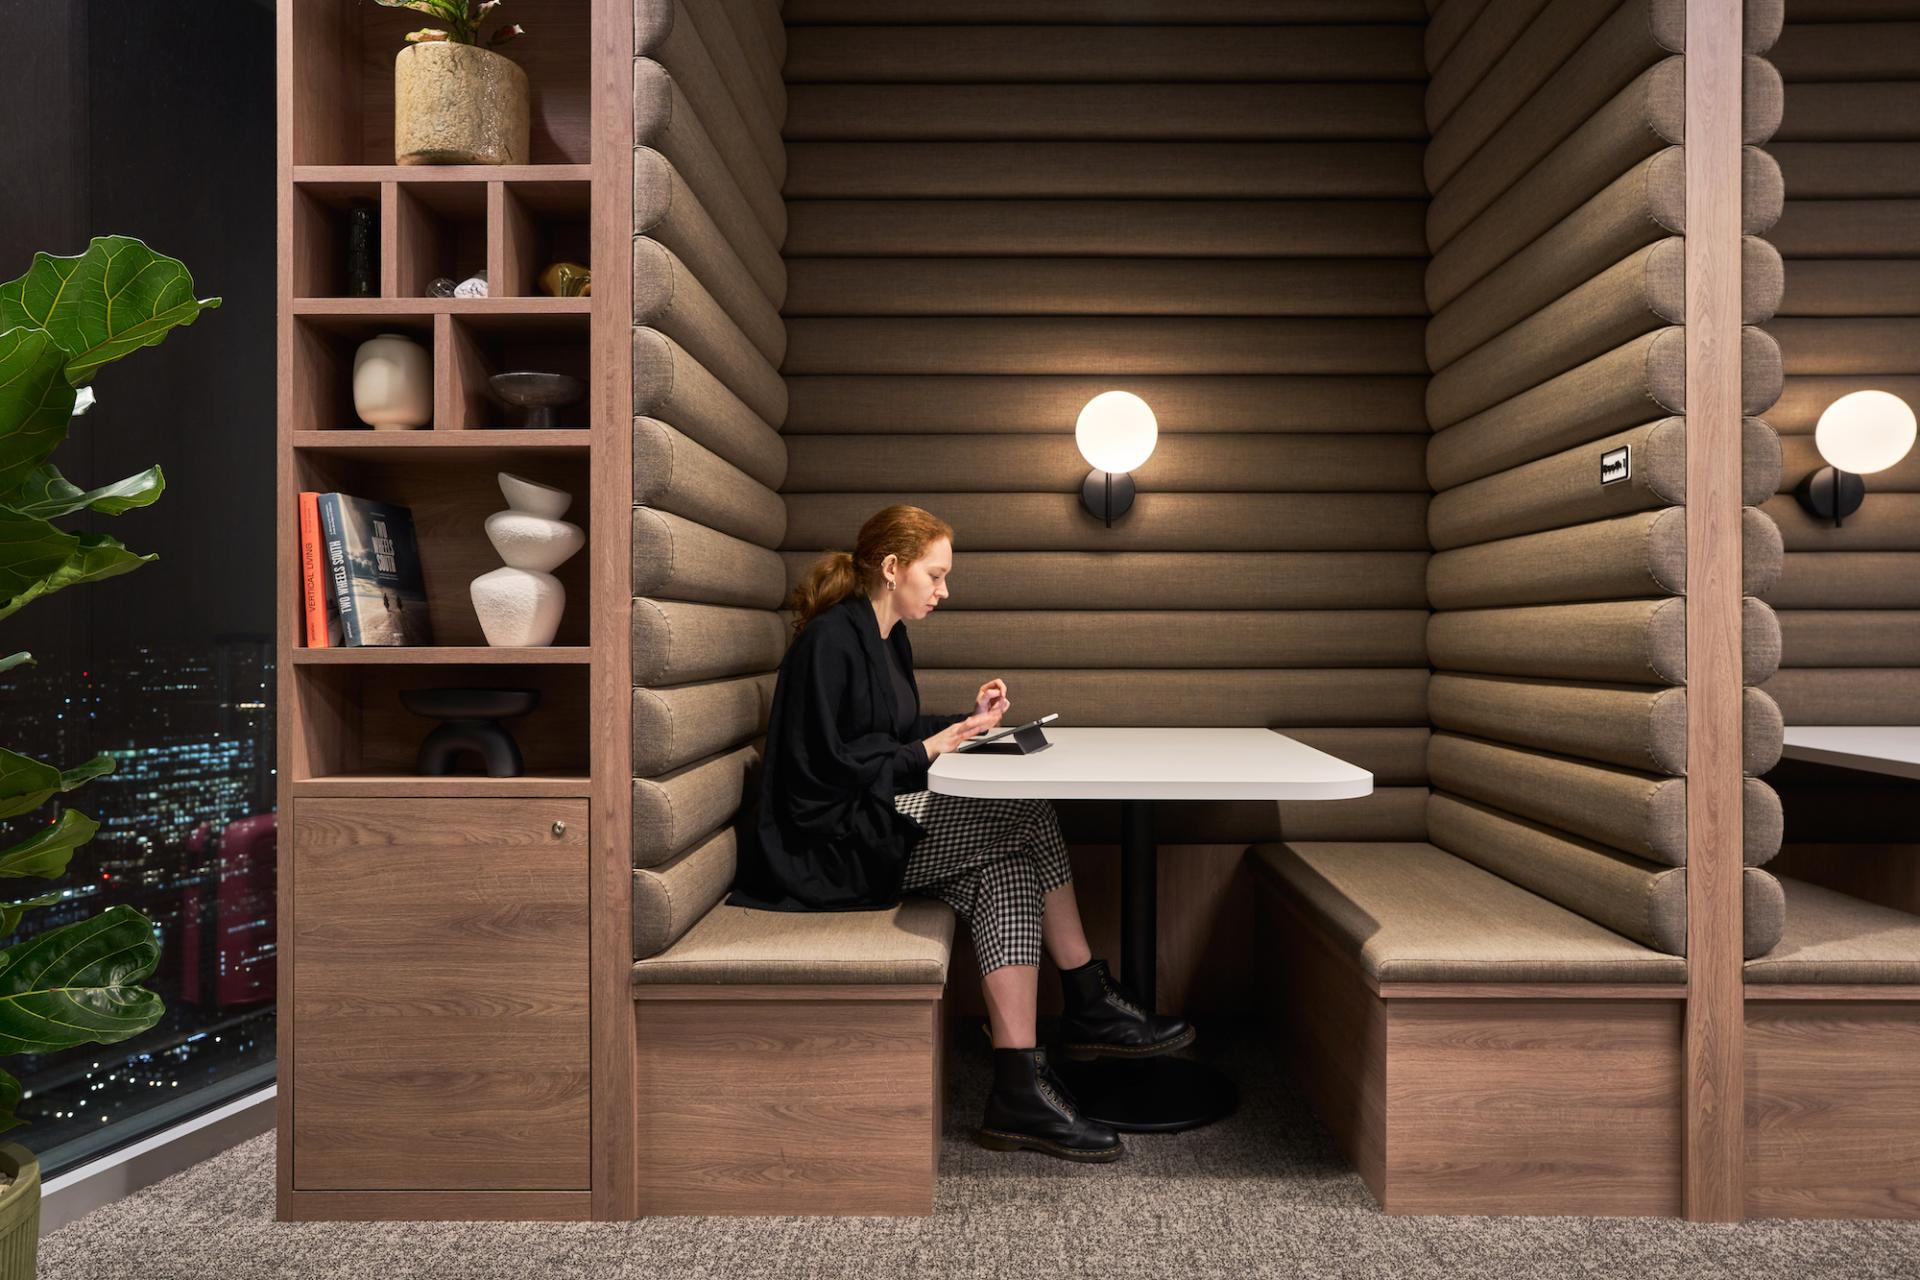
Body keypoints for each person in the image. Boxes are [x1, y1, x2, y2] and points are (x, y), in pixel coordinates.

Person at [730, 503, 1194, 1163]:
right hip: (827, 849)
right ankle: (1087, 998)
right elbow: (825, 773)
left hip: (870, 818)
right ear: (892, 568)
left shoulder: (886, 636)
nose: (944, 591)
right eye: (935, 575)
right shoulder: (831, 641)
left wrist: (968, 724)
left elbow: (887, 736)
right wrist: (928, 752)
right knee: (1029, 814)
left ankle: (1018, 1091)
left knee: (1008, 869)